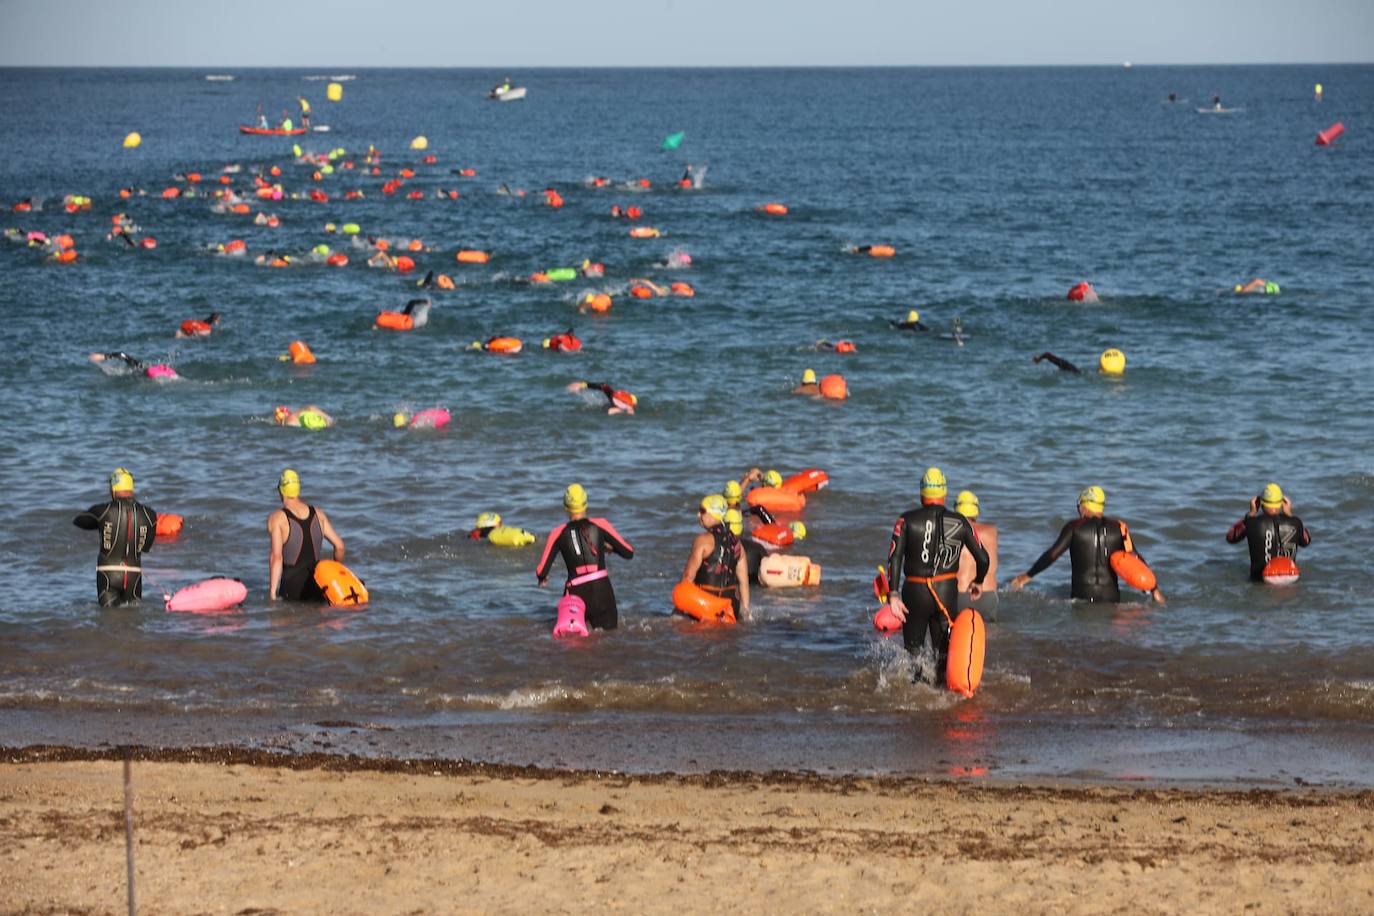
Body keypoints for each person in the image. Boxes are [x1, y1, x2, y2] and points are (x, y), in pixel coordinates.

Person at [885, 468, 989, 683]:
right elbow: (983, 559)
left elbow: (894, 558)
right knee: (944, 654)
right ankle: (944, 693)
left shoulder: (905, 521)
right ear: (945, 493)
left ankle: (917, 693)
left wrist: (893, 594)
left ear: (922, 493)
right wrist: (978, 582)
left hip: (915, 592)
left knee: (913, 653)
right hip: (945, 592)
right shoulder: (961, 522)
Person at [1011, 486, 1165, 603]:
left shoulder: (1074, 526)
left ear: (1084, 506)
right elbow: (1135, 558)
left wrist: (1026, 576)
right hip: (1111, 599)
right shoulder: (1119, 527)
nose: (1078, 509)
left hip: (1081, 598)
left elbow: (1053, 554)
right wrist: (1154, 588)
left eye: (1078, 505)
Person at [535, 484, 634, 629]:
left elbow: (541, 570)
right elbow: (628, 552)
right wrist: (609, 548)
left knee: (575, 647)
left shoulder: (557, 533)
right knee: (609, 643)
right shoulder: (601, 524)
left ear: (565, 507)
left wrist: (542, 578)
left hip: (575, 596)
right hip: (602, 592)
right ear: (586, 504)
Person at [73, 468, 158, 607]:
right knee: (133, 622)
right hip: (134, 576)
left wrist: (102, 525)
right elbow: (145, 547)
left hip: (108, 574)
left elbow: (79, 521)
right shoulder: (150, 515)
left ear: (113, 488)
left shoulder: (102, 511)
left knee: (109, 621)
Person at [267, 469, 345, 601]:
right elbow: (340, 546)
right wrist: (335, 573)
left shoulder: (277, 519)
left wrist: (272, 593)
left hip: (292, 587)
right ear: (298, 490)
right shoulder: (318, 514)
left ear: (280, 491)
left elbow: (276, 557)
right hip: (317, 584)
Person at [682, 494, 750, 618]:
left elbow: (688, 576)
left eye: (702, 511)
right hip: (730, 605)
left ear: (714, 514)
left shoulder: (703, 540)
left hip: (706, 603)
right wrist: (745, 610)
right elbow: (743, 581)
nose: (698, 515)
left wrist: (679, 607)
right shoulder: (737, 543)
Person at [1226, 483, 1311, 581]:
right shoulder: (1296, 522)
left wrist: (1251, 514)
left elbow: (1230, 538)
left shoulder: (1250, 523)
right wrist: (1290, 515)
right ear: (1282, 503)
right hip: (1289, 578)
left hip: (1259, 581)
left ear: (1260, 503)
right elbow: (1306, 541)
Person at [954, 490, 999, 621]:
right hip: (987, 595)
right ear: (976, 511)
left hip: (959, 595)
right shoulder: (992, 531)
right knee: (988, 636)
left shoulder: (949, 532)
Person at [568, 381, 637, 414]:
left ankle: (618, 410)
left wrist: (582, 385)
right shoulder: (614, 395)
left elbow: (602, 386)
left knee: (609, 411)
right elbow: (602, 386)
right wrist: (582, 385)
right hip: (617, 400)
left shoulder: (626, 405)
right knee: (605, 407)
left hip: (621, 403)